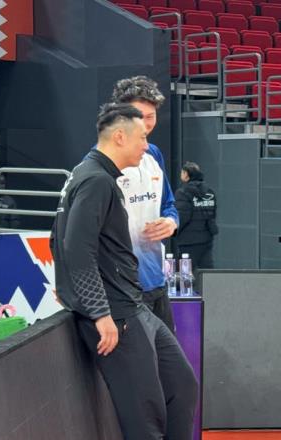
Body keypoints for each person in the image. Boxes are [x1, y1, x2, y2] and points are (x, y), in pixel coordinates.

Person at [50, 103, 198, 440]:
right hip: (116, 315)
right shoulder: (95, 180)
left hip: (134, 304)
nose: (147, 145)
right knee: (145, 415)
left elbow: (57, 237)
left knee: (182, 385)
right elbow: (75, 248)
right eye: (142, 137)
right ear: (120, 136)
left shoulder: (90, 175)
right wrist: (99, 312)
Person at [111, 76, 178, 333]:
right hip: (123, 288)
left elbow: (169, 204)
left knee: (169, 355)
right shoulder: (101, 162)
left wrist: (170, 222)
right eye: (139, 116)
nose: (146, 123)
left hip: (156, 281)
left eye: (151, 116)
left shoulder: (153, 154)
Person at [175, 161, 218, 272]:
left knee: (184, 275)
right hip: (207, 239)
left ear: (186, 174)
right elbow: (212, 215)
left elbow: (182, 217)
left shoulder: (182, 192)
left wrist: (173, 231)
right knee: (207, 273)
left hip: (188, 240)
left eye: (182, 172)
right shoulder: (210, 192)